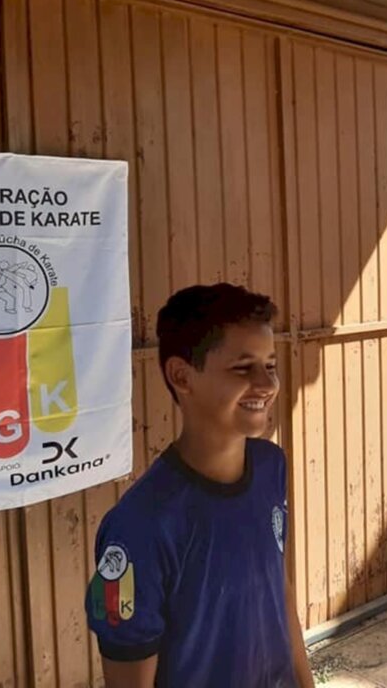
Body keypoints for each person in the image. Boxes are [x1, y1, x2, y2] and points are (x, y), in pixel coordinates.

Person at [85, 283, 314, 687]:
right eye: (243, 368)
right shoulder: (140, 526)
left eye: (271, 365)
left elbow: (278, 587)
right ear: (182, 376)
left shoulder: (271, 467)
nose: (267, 384)